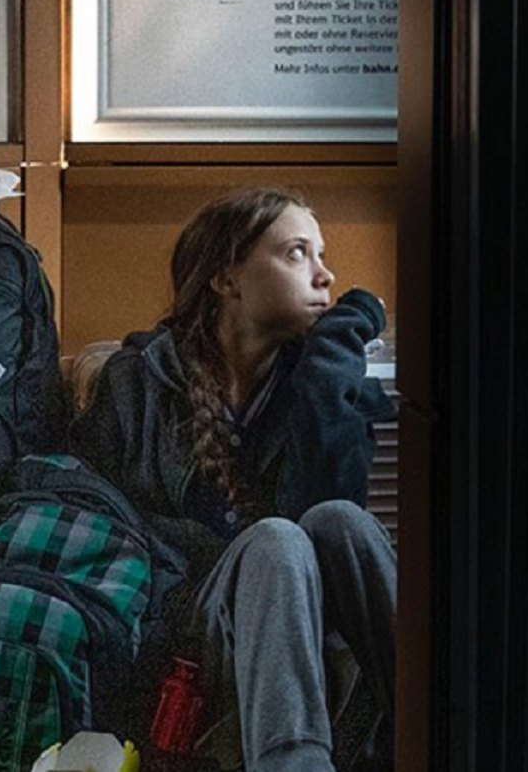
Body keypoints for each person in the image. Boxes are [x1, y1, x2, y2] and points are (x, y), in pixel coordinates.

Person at [70, 187, 397, 772]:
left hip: (309, 633)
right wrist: (237, 558)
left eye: (322, 255)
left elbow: (326, 507)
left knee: (338, 522)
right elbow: (101, 530)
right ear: (228, 278)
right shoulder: (135, 384)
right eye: (298, 253)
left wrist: (329, 367)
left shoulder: (318, 378)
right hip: (185, 639)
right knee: (274, 540)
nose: (326, 276)